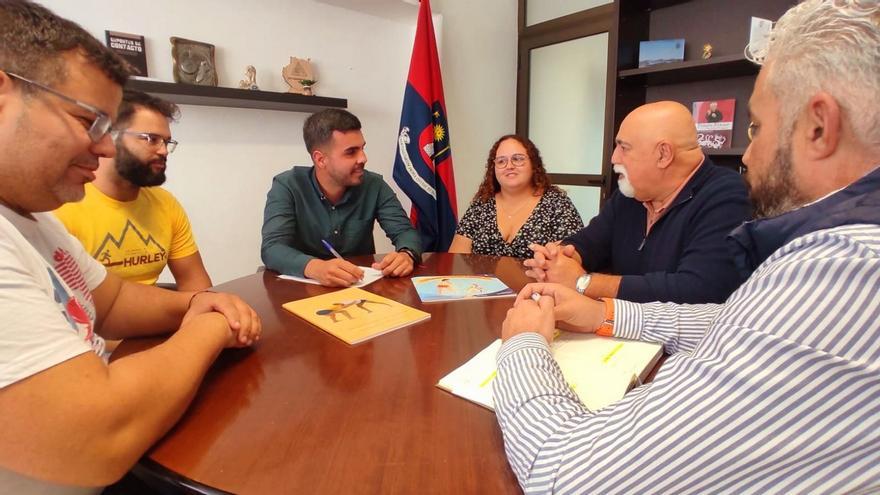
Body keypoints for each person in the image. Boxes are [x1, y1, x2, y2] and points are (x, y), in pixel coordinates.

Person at [494, 1, 880, 492]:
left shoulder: (841, 272)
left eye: (757, 127)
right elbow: (731, 317)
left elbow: (568, 472)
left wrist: (525, 343)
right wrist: (602, 314)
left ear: (819, 127)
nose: (749, 155)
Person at [0, 1, 261, 491]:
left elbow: (114, 301)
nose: (103, 148)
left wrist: (199, 301)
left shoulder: (30, 217)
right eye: (87, 121)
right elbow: (95, 438)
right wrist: (208, 328)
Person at [524, 101, 751, 303]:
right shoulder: (631, 194)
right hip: (623, 330)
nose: (614, 158)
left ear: (663, 154)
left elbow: (698, 290)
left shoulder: (727, 196)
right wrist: (556, 259)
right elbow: (590, 242)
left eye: (624, 147)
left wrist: (583, 283)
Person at [54, 90, 212, 291]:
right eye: (151, 139)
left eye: (166, 142)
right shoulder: (61, 207)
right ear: (108, 137)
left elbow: (196, 285)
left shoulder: (165, 204)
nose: (163, 150)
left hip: (157, 318)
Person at [261, 108, 422, 287]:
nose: (363, 158)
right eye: (351, 152)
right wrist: (315, 268)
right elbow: (272, 248)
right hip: (304, 291)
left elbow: (405, 232)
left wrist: (406, 254)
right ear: (320, 159)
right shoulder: (288, 186)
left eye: (362, 148)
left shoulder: (374, 184)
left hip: (360, 290)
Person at [449, 135, 583, 259]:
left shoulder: (557, 204)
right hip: (481, 284)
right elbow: (457, 259)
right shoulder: (481, 204)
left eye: (518, 159)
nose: (509, 166)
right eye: (501, 161)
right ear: (493, 168)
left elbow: (568, 259)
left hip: (539, 284)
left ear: (533, 164)